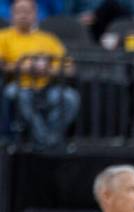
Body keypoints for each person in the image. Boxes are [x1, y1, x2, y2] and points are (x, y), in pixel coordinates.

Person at [0, 0, 80, 148]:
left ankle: (47, 139)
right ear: (12, 15)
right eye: (19, 11)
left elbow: (69, 68)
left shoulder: (48, 39)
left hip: (47, 86)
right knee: (18, 95)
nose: (23, 15)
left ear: (35, 15)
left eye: (27, 11)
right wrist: (23, 68)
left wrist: (47, 70)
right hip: (18, 85)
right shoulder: (3, 37)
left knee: (70, 98)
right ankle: (45, 141)